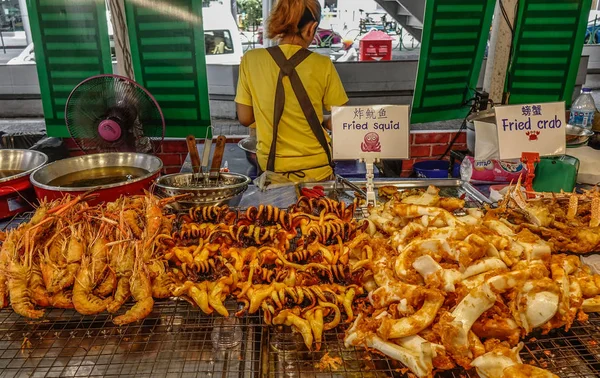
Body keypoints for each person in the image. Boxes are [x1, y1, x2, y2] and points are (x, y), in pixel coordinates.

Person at [235, 0, 348, 182]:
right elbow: (343, 120)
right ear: (311, 28)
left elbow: (246, 118)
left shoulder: (251, 60)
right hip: (317, 169)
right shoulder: (322, 64)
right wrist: (324, 120)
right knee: (324, 211)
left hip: (273, 169)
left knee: (276, 212)